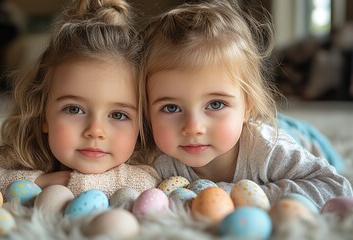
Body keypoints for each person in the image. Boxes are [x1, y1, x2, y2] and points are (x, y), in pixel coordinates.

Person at [138, 0, 352, 209]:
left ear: (248, 105)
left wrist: (236, 195)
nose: (193, 127)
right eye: (171, 108)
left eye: (215, 104)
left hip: (304, 138)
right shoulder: (158, 160)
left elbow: (336, 187)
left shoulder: (267, 149)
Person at [0, 0, 160, 202]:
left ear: (141, 124)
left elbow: (149, 182)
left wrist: (73, 182)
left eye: (118, 115)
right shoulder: (29, 151)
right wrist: (40, 182)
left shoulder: (142, 159)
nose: (95, 131)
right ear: (43, 113)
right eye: (74, 109)